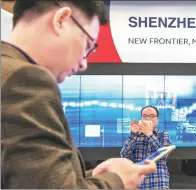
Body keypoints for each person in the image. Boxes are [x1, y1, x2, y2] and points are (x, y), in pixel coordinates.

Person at [1, 0, 156, 189]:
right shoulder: (25, 79)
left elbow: (28, 178)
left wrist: (96, 176)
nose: (84, 64)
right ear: (61, 20)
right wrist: (118, 181)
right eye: (88, 45)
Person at [120, 106, 172, 189]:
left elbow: (164, 155)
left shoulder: (162, 134)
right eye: (145, 116)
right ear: (141, 118)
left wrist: (149, 134)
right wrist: (133, 134)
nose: (148, 118)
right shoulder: (136, 136)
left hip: (158, 182)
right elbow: (124, 155)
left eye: (152, 116)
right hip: (139, 183)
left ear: (157, 119)